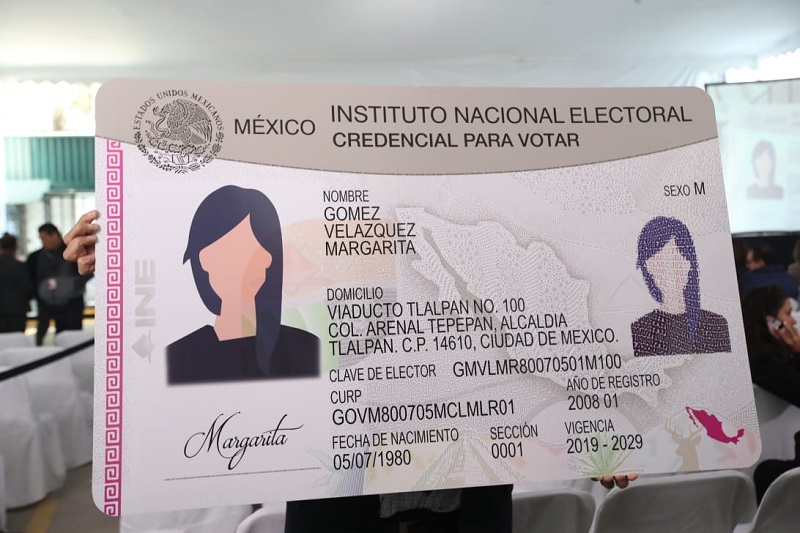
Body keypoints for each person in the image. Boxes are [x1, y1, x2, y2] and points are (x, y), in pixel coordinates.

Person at [64, 209, 637, 532]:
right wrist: (116, 258)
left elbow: (555, 379)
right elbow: (218, 317)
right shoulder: (307, 321)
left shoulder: (493, 302)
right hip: (336, 514)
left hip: (470, 510)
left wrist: (608, 442)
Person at [165, 185, 319, 384]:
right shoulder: (180, 357)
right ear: (203, 259)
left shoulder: (305, 347)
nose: (264, 259)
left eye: (263, 247)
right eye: (237, 249)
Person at [631, 216, 731, 356]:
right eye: (658, 261)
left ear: (689, 263)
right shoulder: (641, 330)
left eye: (676, 257)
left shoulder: (716, 324)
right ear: (648, 269)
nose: (669, 271)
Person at [740, 285, 800, 501]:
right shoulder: (763, 364)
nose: (793, 321)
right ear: (771, 322)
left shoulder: (769, 360)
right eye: (787, 313)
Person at [26, 222, 88, 345]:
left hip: (71, 304)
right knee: (41, 334)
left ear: (55, 235)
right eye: (41, 239)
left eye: (44, 238)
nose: (43, 242)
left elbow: (86, 272)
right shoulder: (35, 257)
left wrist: (70, 286)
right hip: (45, 303)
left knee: (71, 339)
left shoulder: (74, 252)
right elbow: (30, 279)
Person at [0, 232, 32, 333]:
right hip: (18, 311)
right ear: (15, 247)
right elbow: (28, 288)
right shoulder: (21, 267)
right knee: (17, 339)